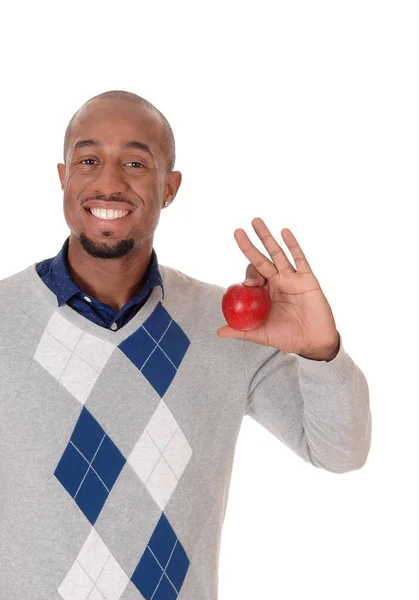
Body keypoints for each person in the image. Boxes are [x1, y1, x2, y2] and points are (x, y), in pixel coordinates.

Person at [0, 90, 371, 600]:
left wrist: (321, 351)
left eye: (134, 162)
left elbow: (339, 452)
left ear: (169, 187)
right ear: (63, 177)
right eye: (88, 160)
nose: (108, 181)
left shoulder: (229, 328)